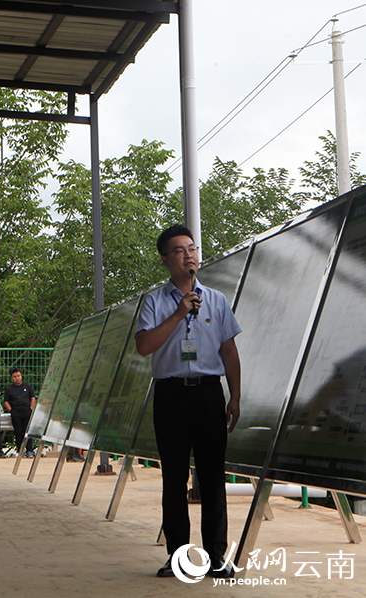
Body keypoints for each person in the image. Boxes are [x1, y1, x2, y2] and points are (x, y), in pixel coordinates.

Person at [135, 224, 241, 580]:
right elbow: (145, 346)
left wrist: (235, 396)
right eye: (180, 251)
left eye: (192, 249)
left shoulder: (217, 299)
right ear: (166, 260)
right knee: (174, 476)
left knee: (212, 477)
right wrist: (179, 313)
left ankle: (216, 557)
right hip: (171, 395)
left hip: (210, 393)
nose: (189, 255)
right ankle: (178, 555)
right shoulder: (154, 302)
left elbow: (229, 350)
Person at [3, 368, 35, 457]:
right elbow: (6, 401)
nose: (17, 378)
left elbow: (32, 398)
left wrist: (31, 408)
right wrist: (11, 410)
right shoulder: (9, 389)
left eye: (18, 376)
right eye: (15, 376)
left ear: (21, 376)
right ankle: (20, 451)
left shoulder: (27, 387)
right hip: (16, 413)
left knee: (27, 432)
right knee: (18, 432)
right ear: (11, 378)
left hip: (27, 412)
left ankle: (29, 451)